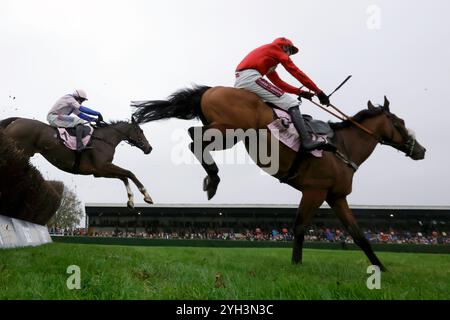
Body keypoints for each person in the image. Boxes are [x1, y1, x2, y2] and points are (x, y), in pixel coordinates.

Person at [235, 37, 335, 151]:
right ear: (284, 47)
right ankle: (306, 141)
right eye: (290, 51)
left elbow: (279, 83)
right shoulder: (275, 49)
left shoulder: (269, 59)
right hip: (251, 78)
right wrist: (318, 92)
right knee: (291, 103)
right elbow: (296, 72)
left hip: (242, 79)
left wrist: (301, 92)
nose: (290, 55)